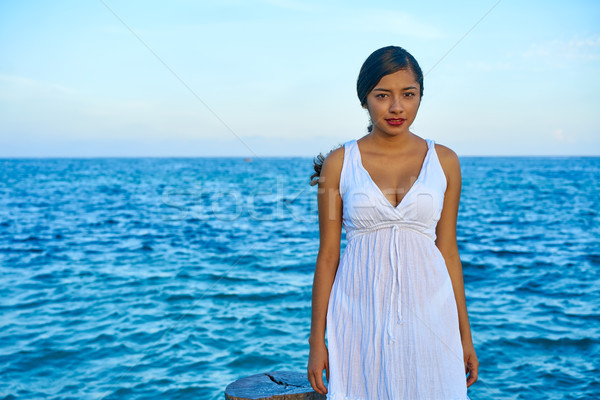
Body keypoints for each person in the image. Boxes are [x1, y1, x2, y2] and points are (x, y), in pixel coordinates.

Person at [306, 46, 478, 399]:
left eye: (408, 95)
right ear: (364, 99)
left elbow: (447, 252)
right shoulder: (339, 164)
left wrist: (465, 337)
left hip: (432, 318)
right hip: (358, 318)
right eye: (382, 95)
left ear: (420, 97)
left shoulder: (444, 161)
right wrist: (316, 341)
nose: (397, 107)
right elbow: (327, 257)